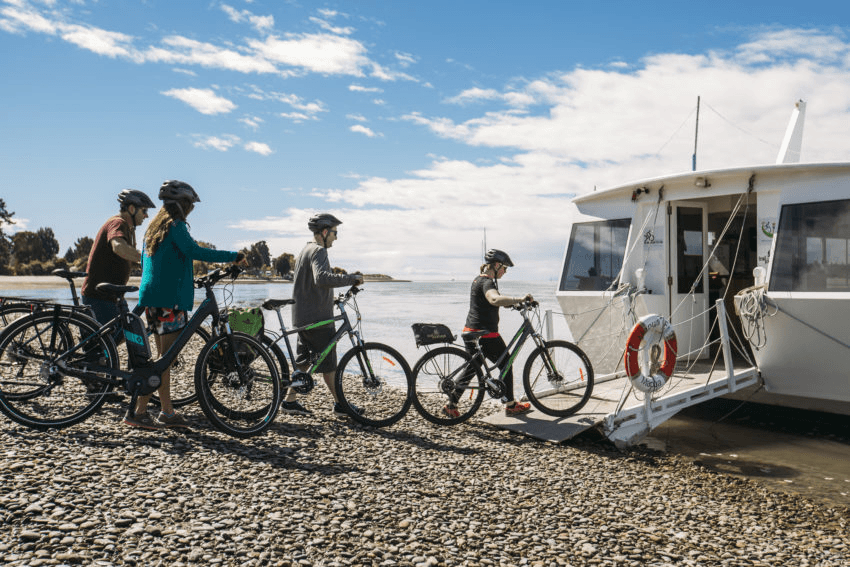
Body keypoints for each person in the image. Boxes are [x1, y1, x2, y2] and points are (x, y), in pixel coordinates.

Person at [124, 180, 244, 430]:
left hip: (153, 298)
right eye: (190, 205)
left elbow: (159, 262)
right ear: (183, 205)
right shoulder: (175, 225)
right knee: (164, 360)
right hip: (169, 300)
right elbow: (194, 251)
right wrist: (233, 257)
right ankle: (139, 412)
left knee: (161, 360)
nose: (191, 210)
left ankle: (164, 412)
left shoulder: (153, 229)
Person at [280, 213, 363, 417]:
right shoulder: (319, 251)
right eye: (335, 232)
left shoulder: (305, 250)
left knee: (304, 362)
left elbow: (310, 284)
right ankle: (340, 404)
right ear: (325, 232)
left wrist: (330, 298)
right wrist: (352, 278)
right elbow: (322, 278)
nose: (336, 237)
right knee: (329, 365)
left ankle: (289, 401)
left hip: (302, 315)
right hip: (318, 320)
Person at [448, 248, 534, 418]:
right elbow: (494, 299)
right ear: (496, 265)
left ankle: (451, 405)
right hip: (486, 335)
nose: (505, 271)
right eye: (504, 268)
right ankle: (510, 405)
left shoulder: (478, 280)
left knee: (472, 369)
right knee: (506, 364)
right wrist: (519, 299)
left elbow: (491, 302)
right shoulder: (487, 282)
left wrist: (513, 305)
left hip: (471, 331)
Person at [81, 189, 155, 338]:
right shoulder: (117, 222)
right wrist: (147, 258)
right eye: (144, 210)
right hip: (99, 295)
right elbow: (119, 247)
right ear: (132, 209)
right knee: (118, 335)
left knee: (126, 331)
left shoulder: (129, 228)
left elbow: (126, 257)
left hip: (111, 294)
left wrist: (149, 266)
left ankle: (103, 358)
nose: (146, 215)